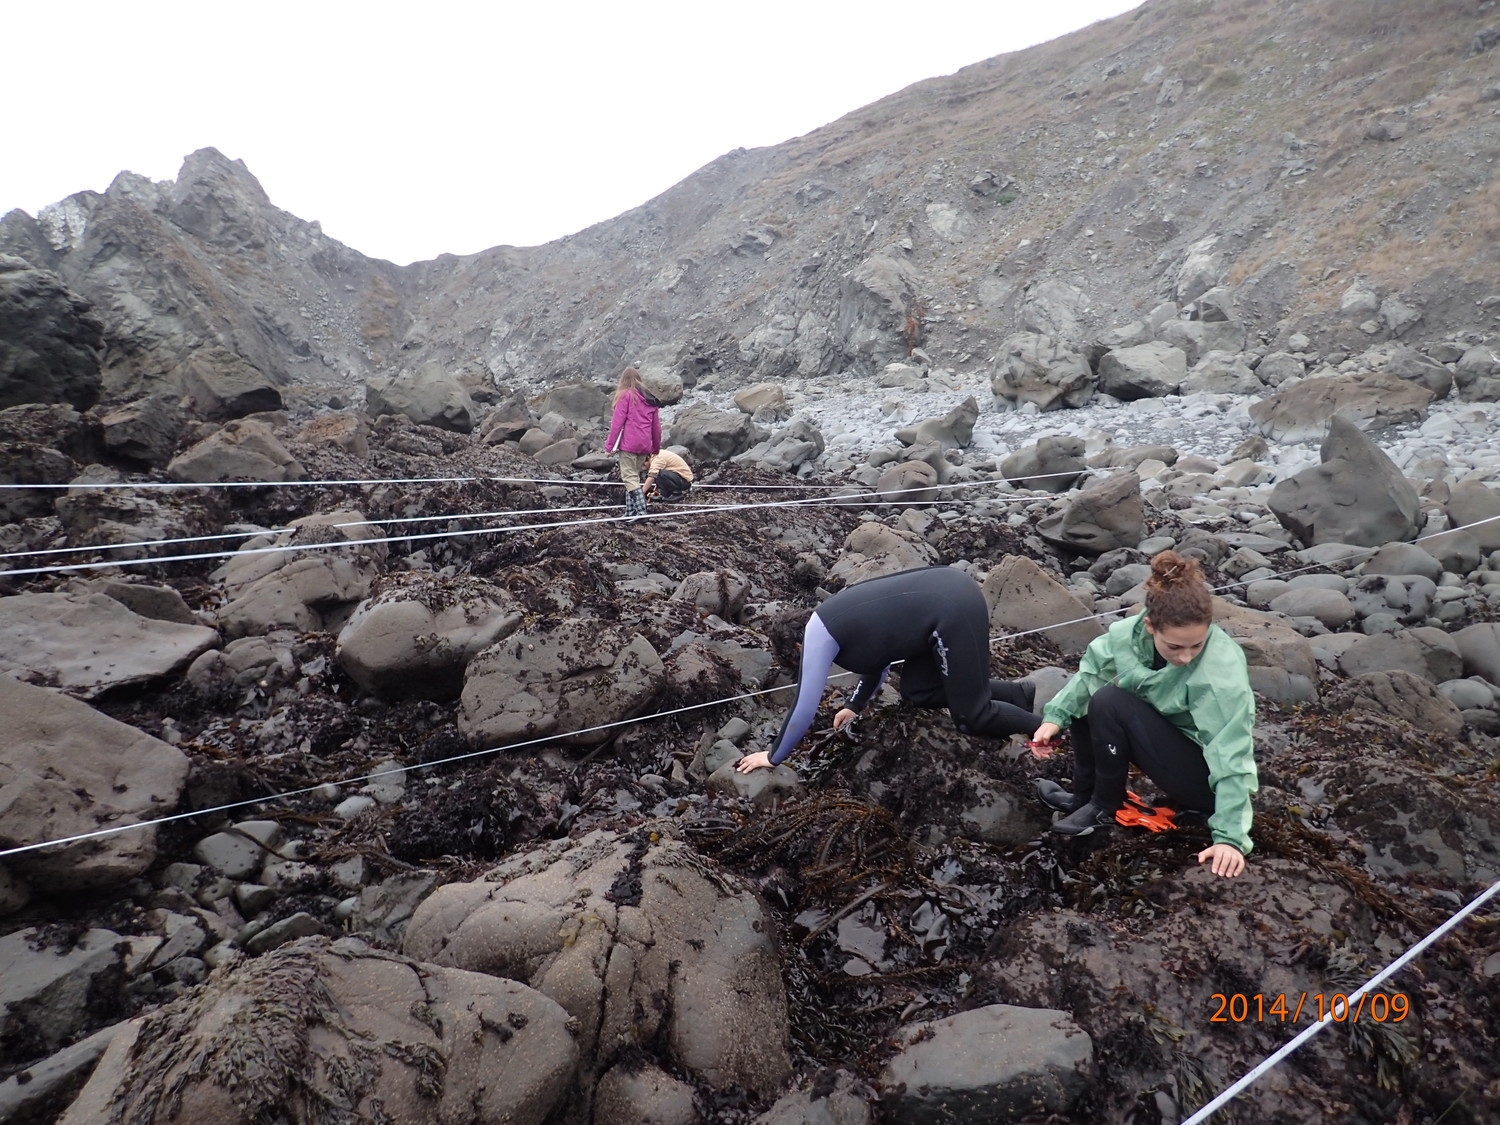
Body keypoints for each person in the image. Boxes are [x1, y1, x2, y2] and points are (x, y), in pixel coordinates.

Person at [1028, 550, 1258, 879]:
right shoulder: (1128, 635)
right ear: (1149, 626)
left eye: (1197, 645)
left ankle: (1104, 808)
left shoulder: (1219, 675)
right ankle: (1083, 797)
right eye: (1175, 647)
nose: (1187, 657)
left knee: (1110, 701)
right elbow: (1090, 673)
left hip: (1205, 781)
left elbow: (1232, 752)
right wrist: (1054, 719)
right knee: (1089, 699)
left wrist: (1230, 839)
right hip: (1170, 742)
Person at [735, 566, 1041, 773]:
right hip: (941, 600)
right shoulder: (835, 625)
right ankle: (1018, 693)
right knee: (917, 692)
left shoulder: (817, 635)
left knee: (972, 716)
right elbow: (877, 662)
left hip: (952, 608)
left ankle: (1047, 729)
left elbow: (804, 706)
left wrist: (773, 756)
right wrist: (854, 706)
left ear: (797, 647)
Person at [605, 366, 661, 518]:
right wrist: (656, 447)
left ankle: (641, 511)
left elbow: (617, 424)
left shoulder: (625, 395)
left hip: (629, 444)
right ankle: (630, 512)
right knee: (634, 477)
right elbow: (656, 427)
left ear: (623, 381)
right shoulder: (649, 398)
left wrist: (609, 447)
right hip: (644, 445)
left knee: (629, 478)